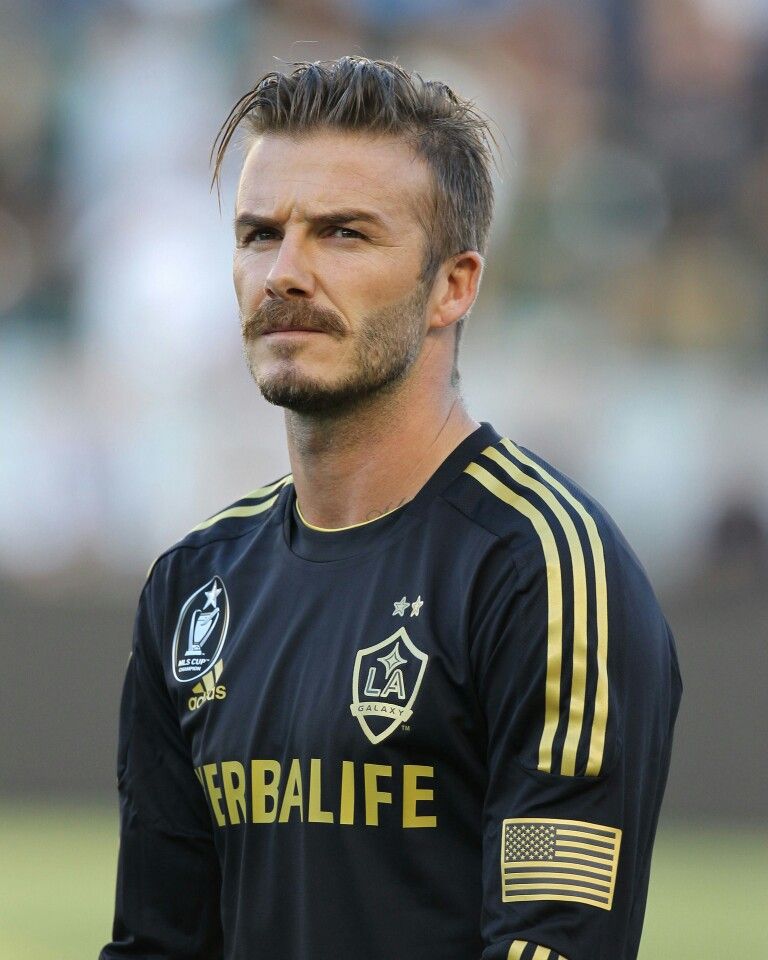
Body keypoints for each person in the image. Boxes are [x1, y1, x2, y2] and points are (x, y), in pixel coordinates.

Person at [100, 57, 682, 960]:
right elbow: (158, 944)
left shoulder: (543, 569)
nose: (284, 273)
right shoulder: (193, 587)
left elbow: (551, 945)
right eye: (260, 235)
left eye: (342, 234)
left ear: (454, 285)